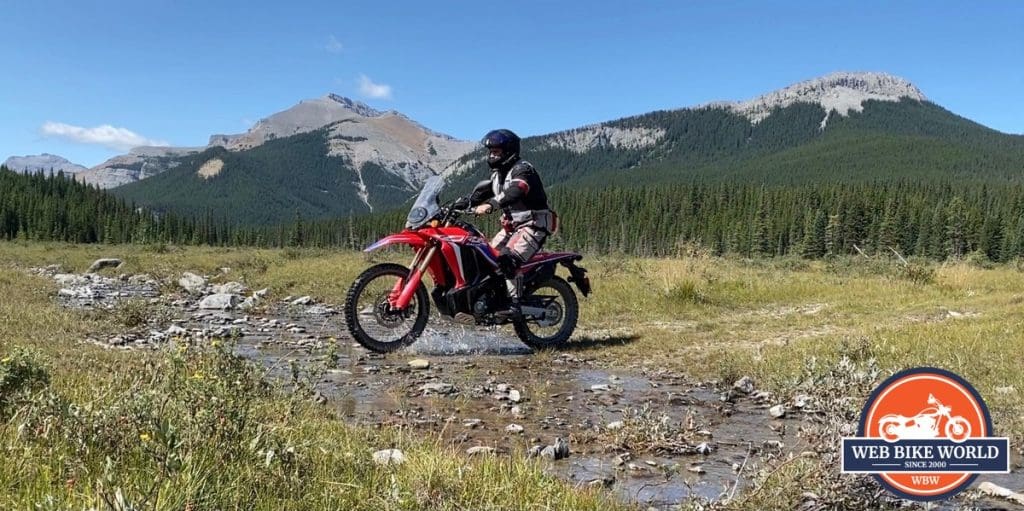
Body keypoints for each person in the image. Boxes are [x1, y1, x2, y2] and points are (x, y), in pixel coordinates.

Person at [468, 129, 556, 317]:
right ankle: (492, 299)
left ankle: (515, 304)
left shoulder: (523, 169)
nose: (492, 155)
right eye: (490, 152)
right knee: (485, 257)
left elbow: (517, 190)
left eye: (497, 152)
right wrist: (453, 205)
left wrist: (491, 205)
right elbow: (478, 195)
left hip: (533, 225)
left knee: (507, 258)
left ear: (508, 152)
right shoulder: (497, 176)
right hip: (512, 228)